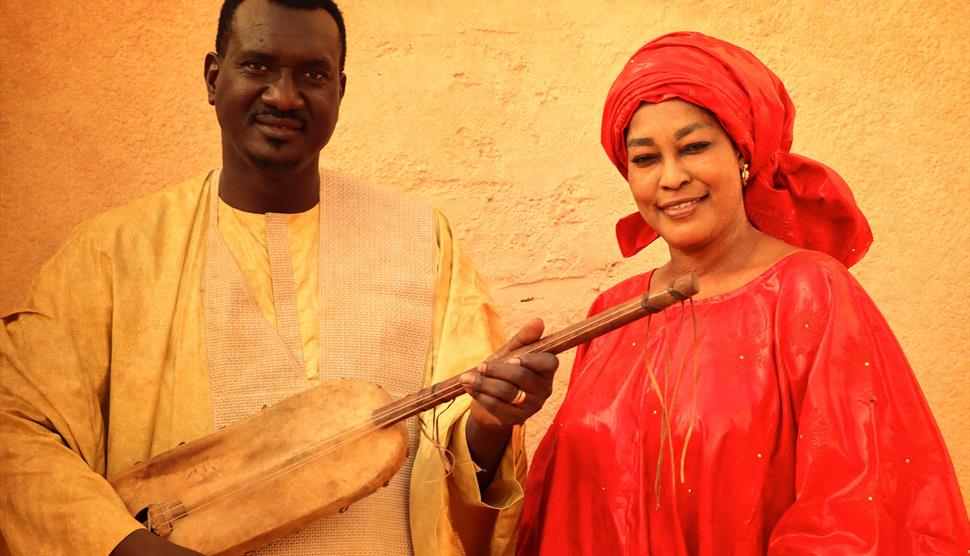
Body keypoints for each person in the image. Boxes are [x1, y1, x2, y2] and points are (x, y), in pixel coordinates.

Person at [0, 1, 558, 555]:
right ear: (214, 78)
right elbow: (19, 431)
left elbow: (465, 445)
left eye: (313, 74)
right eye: (258, 66)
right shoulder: (112, 254)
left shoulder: (422, 240)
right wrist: (125, 546)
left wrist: (490, 423)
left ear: (340, 90)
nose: (284, 96)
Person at [516, 32, 970, 555]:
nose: (671, 177)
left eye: (694, 147)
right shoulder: (612, 312)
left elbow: (854, 508)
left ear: (743, 153)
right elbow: (566, 508)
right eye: (645, 158)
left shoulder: (810, 291)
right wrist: (489, 428)